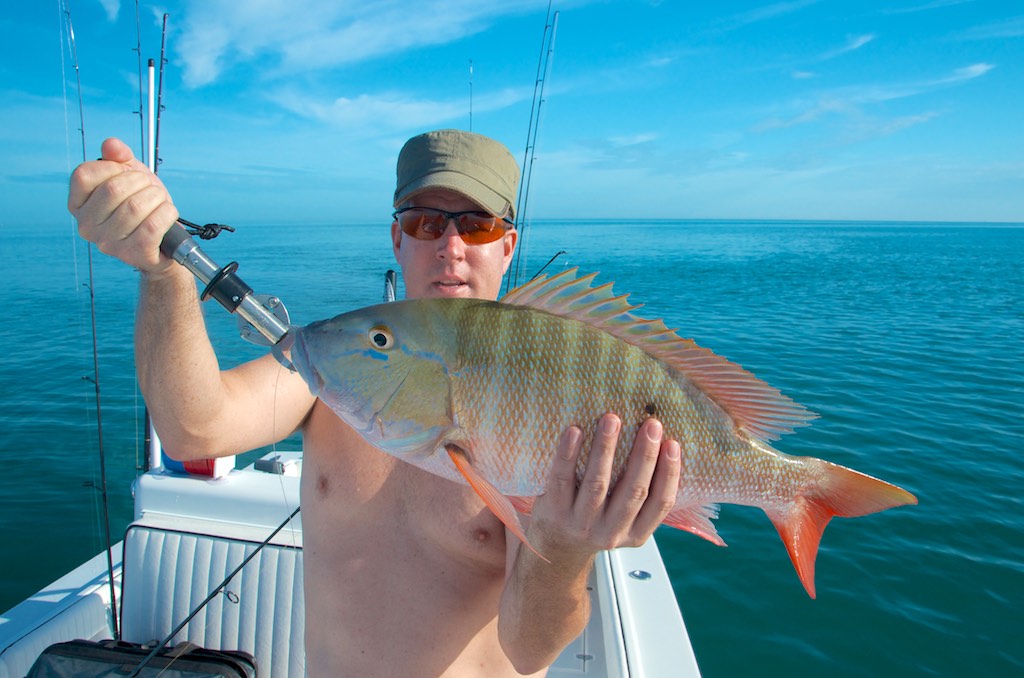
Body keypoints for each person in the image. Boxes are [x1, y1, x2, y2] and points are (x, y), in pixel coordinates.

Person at [69, 129, 682, 677]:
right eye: (424, 223)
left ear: (508, 246)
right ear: (397, 238)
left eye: (478, 225)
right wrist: (163, 271)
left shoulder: (544, 387)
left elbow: (529, 650)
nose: (451, 246)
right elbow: (192, 429)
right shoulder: (343, 367)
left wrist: (565, 548)